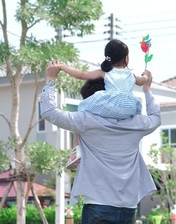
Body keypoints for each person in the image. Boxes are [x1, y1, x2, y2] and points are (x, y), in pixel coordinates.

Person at [39, 62, 160, 224]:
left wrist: (51, 79)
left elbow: (48, 112)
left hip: (98, 205)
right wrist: (147, 89)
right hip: (128, 207)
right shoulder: (135, 122)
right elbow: (156, 117)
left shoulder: (86, 120)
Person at [55, 39, 149, 119]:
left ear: (108, 58)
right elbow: (142, 81)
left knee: (87, 104)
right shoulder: (130, 75)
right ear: (126, 58)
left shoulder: (105, 72)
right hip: (129, 108)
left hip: (111, 106)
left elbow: (82, 75)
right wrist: (146, 75)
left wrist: (63, 67)